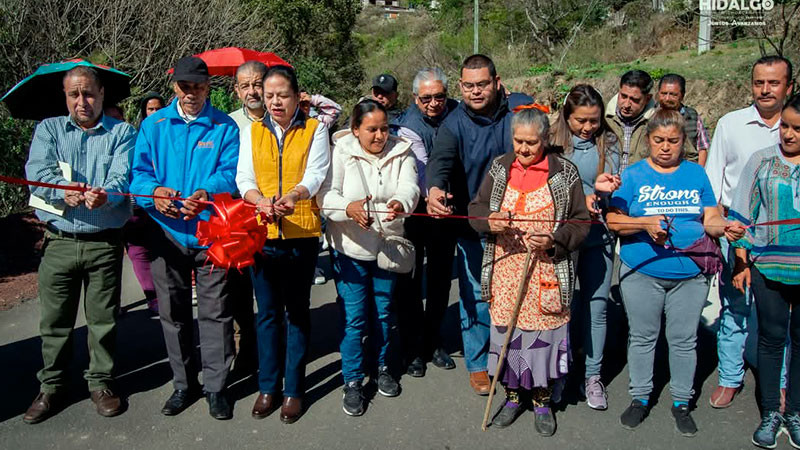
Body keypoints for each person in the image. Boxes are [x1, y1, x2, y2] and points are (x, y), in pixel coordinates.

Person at [607, 109, 745, 437]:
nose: (666, 147)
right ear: (648, 140)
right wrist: (645, 224)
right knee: (643, 336)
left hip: (691, 273)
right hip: (641, 270)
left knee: (683, 339)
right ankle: (640, 397)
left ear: (684, 141)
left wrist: (724, 227)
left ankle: (682, 401)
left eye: (673, 140)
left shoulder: (696, 174)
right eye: (659, 140)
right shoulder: (633, 174)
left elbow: (710, 218)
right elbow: (614, 221)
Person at [23, 66, 137, 423]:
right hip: (59, 240)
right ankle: (51, 385)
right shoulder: (49, 129)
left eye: (88, 93)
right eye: (74, 94)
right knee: (54, 321)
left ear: (102, 94)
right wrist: (62, 190)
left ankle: (100, 382)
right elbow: (37, 173)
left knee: (103, 320)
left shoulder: (122, 132)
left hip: (104, 243)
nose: (82, 101)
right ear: (65, 96)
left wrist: (107, 194)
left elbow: (123, 175)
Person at [130, 56, 240, 420]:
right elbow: (138, 175)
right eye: (185, 86)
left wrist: (206, 193)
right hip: (166, 233)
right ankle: (183, 384)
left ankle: (216, 387)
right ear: (174, 86)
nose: (192, 93)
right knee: (173, 313)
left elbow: (230, 173)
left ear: (209, 87)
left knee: (216, 313)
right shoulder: (154, 125)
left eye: (199, 87)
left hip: (211, 234)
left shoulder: (224, 126)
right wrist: (154, 192)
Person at [468, 107, 589, 435]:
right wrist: (488, 220)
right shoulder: (500, 168)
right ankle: (511, 397)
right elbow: (476, 208)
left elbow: (580, 221)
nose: (523, 149)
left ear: (545, 139)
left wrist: (554, 240)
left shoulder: (565, 173)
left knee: (541, 339)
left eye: (531, 143)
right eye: (518, 141)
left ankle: (542, 401)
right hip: (506, 270)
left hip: (546, 270)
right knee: (508, 336)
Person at [426, 54, 533, 396]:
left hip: (519, 224)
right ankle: (477, 364)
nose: (475, 91)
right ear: (461, 86)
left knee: (517, 295)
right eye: (468, 86)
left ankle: (513, 360)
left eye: (482, 84)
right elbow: (439, 162)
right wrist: (434, 190)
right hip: (474, 227)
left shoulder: (518, 112)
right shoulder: (453, 124)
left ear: (496, 82)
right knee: (476, 295)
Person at [236, 65, 330, 424]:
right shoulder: (252, 131)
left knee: (297, 313)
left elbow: (316, 173)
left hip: (301, 233)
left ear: (296, 96)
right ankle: (267, 387)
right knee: (267, 314)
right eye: (269, 95)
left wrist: (295, 195)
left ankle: (294, 389)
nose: (275, 102)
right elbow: (244, 176)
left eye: (283, 95)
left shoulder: (315, 129)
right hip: (263, 234)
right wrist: (258, 200)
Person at [318, 99, 419, 416]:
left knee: (384, 313)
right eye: (372, 129)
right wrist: (348, 209)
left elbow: (410, 187)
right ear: (355, 129)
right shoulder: (340, 151)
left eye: (384, 128)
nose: (379, 136)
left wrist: (401, 203)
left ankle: (383, 367)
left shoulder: (402, 151)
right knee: (355, 318)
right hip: (349, 248)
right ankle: (352, 380)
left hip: (387, 248)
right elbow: (325, 195)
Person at [705, 55, 794, 409]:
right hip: (736, 231)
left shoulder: (794, 126)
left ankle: (780, 381)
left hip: (784, 240)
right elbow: (713, 182)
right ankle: (730, 377)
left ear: (789, 86)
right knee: (735, 308)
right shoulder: (731, 124)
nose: (765, 90)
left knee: (780, 316)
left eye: (774, 83)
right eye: (759, 82)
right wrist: (716, 228)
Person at [729, 95, 800, 449]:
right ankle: (771, 412)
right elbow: (742, 214)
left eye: (797, 128)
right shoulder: (762, 161)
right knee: (771, 338)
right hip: (768, 266)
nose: (787, 134)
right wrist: (741, 261)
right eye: (784, 125)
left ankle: (795, 412)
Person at [549, 84, 620, 411]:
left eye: (594, 120)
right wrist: (580, 200)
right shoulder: (552, 143)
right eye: (581, 120)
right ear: (567, 116)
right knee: (560, 306)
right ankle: (558, 372)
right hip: (564, 237)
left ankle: (593, 375)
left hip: (598, 237)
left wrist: (605, 192)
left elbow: (610, 185)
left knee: (597, 306)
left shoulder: (609, 142)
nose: (588, 127)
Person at [394, 67, 460, 377]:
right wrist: (432, 194)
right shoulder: (407, 125)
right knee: (409, 281)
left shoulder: (458, 113)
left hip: (447, 209)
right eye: (426, 98)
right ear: (415, 98)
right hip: (417, 209)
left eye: (439, 97)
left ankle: (433, 341)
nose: (434, 103)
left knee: (440, 280)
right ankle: (412, 346)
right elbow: (419, 168)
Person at [125, 92, 166, 314]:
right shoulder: (134, 136)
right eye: (151, 109)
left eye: (159, 108)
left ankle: (168, 291)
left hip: (162, 205)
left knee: (160, 248)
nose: (155, 113)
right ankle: (152, 296)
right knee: (137, 251)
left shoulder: (170, 133)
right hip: (134, 205)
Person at [605, 69, 657, 171]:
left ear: (647, 99)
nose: (627, 105)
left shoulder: (658, 123)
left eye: (634, 100)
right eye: (623, 96)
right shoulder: (603, 119)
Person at [656, 74, 711, 166]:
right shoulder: (650, 116)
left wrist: (698, 172)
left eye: (673, 95)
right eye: (664, 94)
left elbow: (702, 148)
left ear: (682, 96)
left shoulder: (692, 116)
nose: (667, 98)